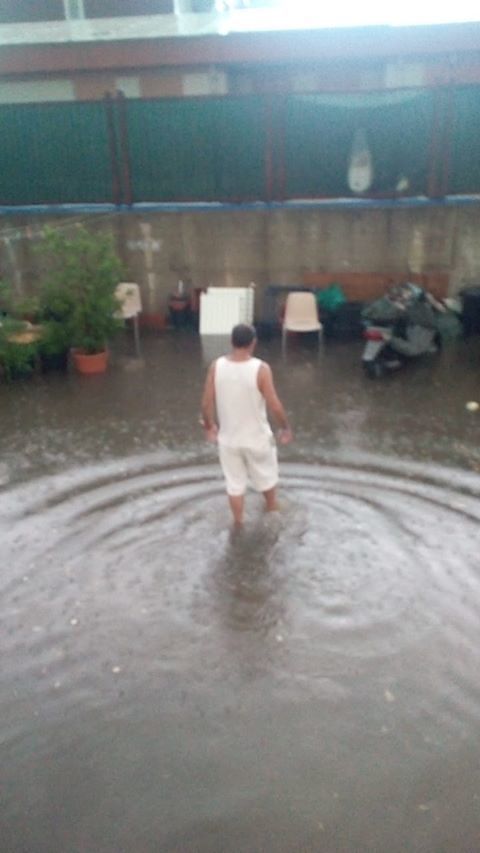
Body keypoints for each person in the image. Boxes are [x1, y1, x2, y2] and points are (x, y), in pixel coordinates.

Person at [201, 323, 293, 526]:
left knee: (234, 486)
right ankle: (271, 512)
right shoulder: (260, 369)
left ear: (231, 342)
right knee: (267, 479)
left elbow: (206, 402)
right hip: (257, 439)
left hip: (229, 440)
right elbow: (274, 404)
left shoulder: (216, 367)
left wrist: (209, 426)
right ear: (253, 343)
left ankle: (238, 524)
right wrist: (285, 426)